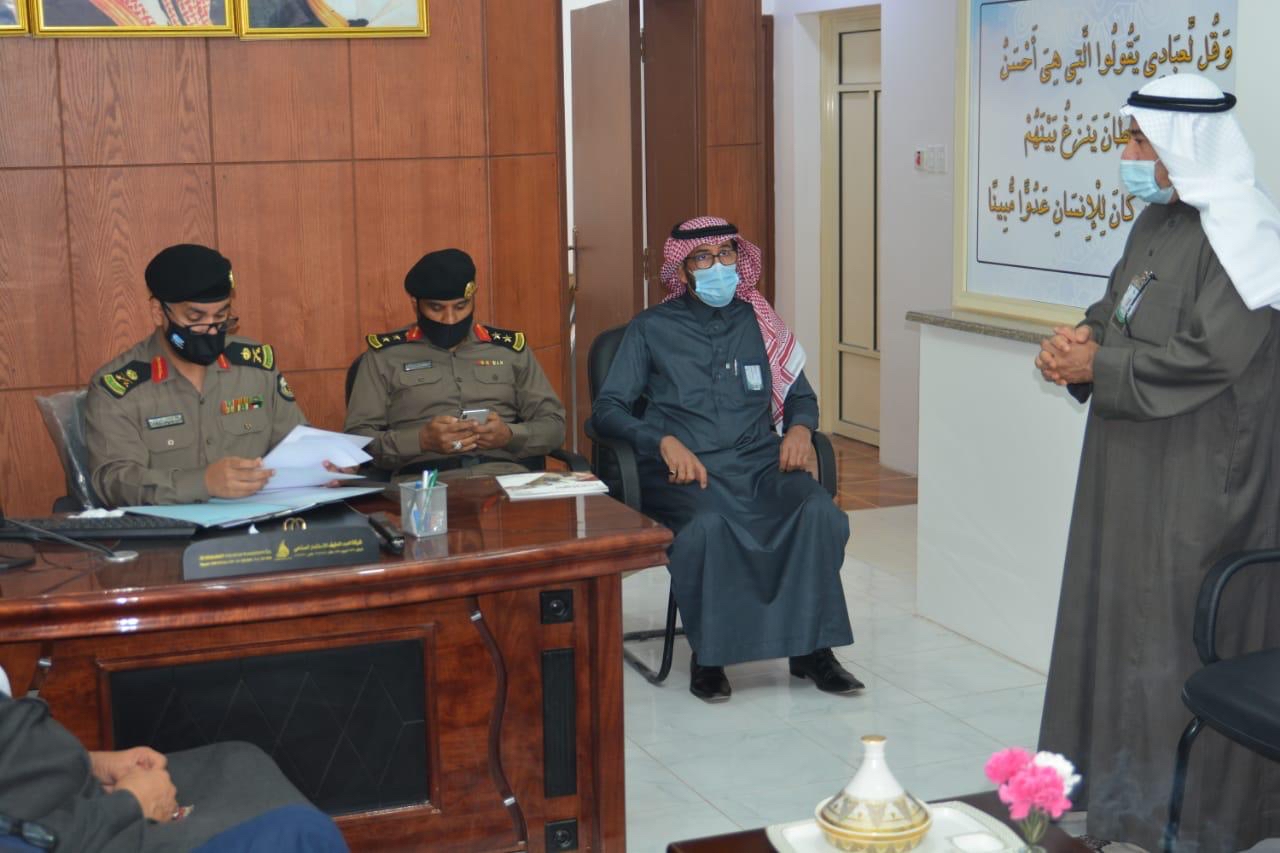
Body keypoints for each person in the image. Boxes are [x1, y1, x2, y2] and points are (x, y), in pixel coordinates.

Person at [1035, 74, 1280, 852]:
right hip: (1131, 466)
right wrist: (1078, 339)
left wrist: (1096, 366)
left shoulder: (1243, 235)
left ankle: (1182, 818)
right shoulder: (1158, 221)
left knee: (1166, 639)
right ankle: (1112, 801)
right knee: (1114, 625)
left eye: (1141, 140)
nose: (1130, 154)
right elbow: (1119, 307)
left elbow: (1211, 357)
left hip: (1199, 482)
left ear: (1186, 146)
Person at [591, 216, 860, 702]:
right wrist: (661, 442)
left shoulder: (762, 323)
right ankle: (710, 656)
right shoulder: (651, 329)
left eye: (726, 254)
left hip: (760, 466)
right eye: (703, 258)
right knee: (709, 527)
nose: (718, 266)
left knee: (818, 513)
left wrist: (800, 429)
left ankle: (812, 650)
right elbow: (607, 410)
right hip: (686, 472)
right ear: (683, 270)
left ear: (740, 259)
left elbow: (800, 396)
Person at [0, 671, 348, 853]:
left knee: (236, 760)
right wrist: (130, 806)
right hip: (80, 836)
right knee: (305, 836)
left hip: (48, 801)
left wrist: (88, 762)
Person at [85, 244, 315, 507]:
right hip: (171, 528)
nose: (211, 330)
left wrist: (322, 466)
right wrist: (203, 483)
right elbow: (114, 481)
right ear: (159, 312)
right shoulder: (118, 388)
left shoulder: (255, 367)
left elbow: (296, 444)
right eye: (195, 317)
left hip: (258, 521)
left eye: (221, 316)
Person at [344, 248, 566, 480]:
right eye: (436, 308)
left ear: (473, 299)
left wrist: (510, 435)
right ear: (415, 304)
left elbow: (554, 426)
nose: (450, 319)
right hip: (425, 483)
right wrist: (420, 440)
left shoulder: (509, 350)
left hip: (505, 478)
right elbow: (358, 441)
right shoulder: (384, 356)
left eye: (461, 307)